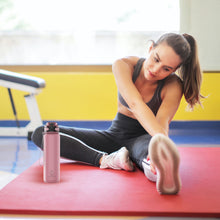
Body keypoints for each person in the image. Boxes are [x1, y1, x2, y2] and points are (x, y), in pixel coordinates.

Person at [32, 33, 203, 195]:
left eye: (166, 68)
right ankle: (106, 159)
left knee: (153, 160)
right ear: (150, 48)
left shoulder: (173, 85)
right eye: (156, 59)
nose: (156, 69)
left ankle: (160, 170)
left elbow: (162, 122)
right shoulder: (123, 65)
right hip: (113, 136)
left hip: (144, 139)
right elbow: (135, 104)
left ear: (174, 70)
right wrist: (161, 139)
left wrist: (159, 145)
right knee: (42, 133)